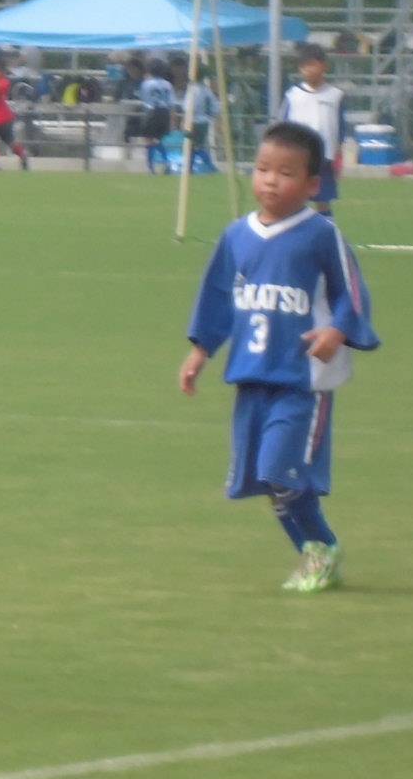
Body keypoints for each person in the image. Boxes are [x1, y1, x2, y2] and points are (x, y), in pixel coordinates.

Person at [179, 121, 379, 594]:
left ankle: (322, 547)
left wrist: (336, 329)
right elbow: (217, 297)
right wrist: (200, 350)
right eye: (263, 168)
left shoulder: (320, 234)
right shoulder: (235, 236)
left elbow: (353, 293)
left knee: (279, 470)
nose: (270, 180)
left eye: (285, 172)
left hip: (302, 381)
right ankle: (315, 553)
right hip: (252, 376)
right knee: (268, 481)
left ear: (313, 185)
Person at [277, 43, 345, 212]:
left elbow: (340, 128)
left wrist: (337, 155)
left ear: (324, 66)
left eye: (312, 64)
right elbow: (282, 126)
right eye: (304, 66)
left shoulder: (336, 95)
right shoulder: (293, 95)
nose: (308, 69)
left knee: (323, 200)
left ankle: (325, 233)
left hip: (324, 158)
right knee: (296, 198)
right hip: (298, 158)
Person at [137, 60, 177, 172]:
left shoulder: (146, 83)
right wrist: (172, 119)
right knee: (158, 139)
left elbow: (144, 99)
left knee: (148, 139)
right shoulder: (167, 84)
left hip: (152, 112)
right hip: (164, 113)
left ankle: (151, 167)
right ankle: (166, 162)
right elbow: (172, 103)